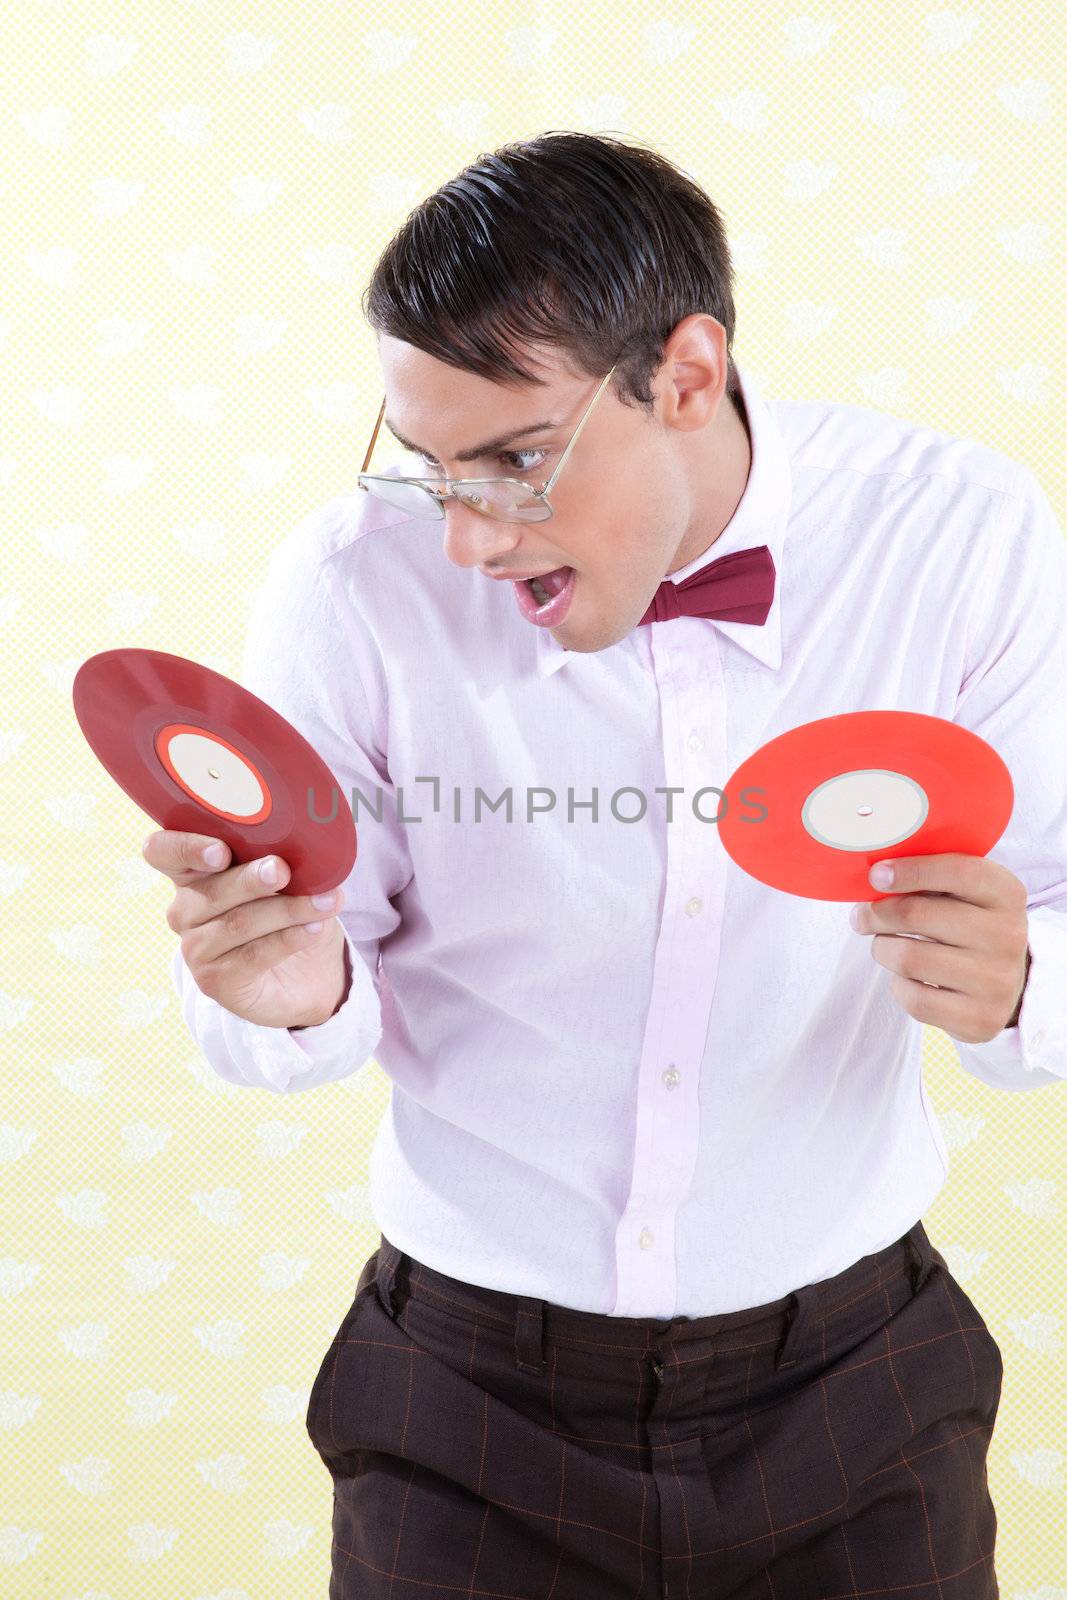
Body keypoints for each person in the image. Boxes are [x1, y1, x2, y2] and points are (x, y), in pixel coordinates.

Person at [149, 130, 1067, 1597]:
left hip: (858, 1381)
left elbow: (1060, 915)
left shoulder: (961, 536)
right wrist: (284, 984)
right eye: (432, 470)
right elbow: (300, 1028)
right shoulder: (347, 585)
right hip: (463, 1397)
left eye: (517, 461)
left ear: (688, 376)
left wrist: (1027, 980)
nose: (466, 544)